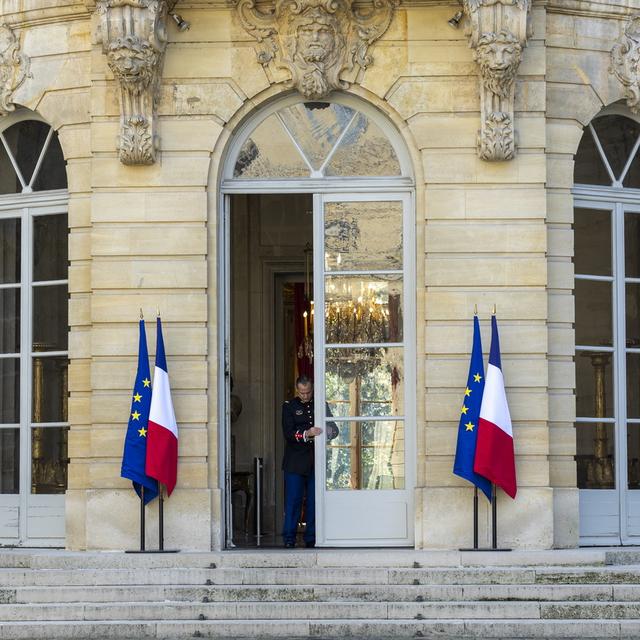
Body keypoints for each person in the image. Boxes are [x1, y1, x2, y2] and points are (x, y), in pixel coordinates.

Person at [281, 374, 337, 548]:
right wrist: (308, 433)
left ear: (312, 389)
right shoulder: (289, 406)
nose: (305, 396)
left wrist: (329, 431)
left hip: (315, 460)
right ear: (297, 390)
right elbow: (288, 433)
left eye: (308, 392)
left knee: (314, 501)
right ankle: (289, 538)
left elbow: (334, 429)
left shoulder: (321, 404)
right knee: (293, 501)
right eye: (302, 392)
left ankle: (312, 538)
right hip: (295, 462)